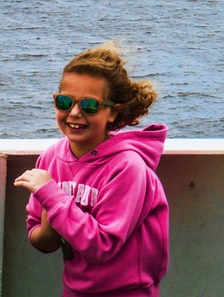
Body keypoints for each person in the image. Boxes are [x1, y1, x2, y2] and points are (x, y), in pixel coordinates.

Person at [14, 41, 169, 297]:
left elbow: (102, 246)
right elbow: (42, 239)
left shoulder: (128, 167)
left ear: (111, 113)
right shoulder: (51, 159)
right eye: (64, 102)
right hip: (74, 290)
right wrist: (48, 216)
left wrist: (51, 195)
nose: (74, 113)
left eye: (89, 106)